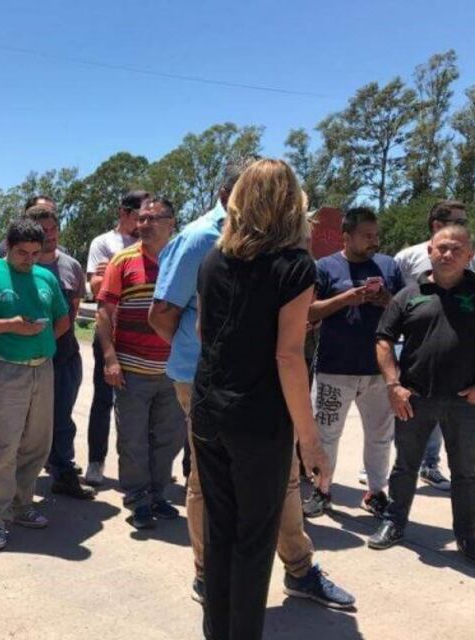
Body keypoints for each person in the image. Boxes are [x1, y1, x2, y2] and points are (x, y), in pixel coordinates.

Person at [149, 160, 354, 611]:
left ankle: (298, 570)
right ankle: (209, 575)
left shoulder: (276, 247)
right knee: (211, 487)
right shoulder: (204, 241)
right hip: (209, 386)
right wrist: (219, 361)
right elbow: (162, 314)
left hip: (261, 388)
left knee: (280, 483)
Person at [192, 159, 333, 640]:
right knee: (253, 542)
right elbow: (289, 356)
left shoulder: (214, 258)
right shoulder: (294, 266)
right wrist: (311, 443)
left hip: (209, 410)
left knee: (220, 533)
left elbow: (201, 331)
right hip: (259, 420)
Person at [370, 225, 475, 566]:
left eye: (456, 249)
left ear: (469, 255)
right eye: (440, 248)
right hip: (414, 399)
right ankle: (394, 523)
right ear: (430, 251)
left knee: (465, 472)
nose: (447, 254)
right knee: (405, 466)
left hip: (464, 403)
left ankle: (467, 536)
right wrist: (393, 385)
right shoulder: (409, 295)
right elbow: (383, 339)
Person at [0, 219, 70, 551]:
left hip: (43, 369)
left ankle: (22, 505)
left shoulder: (45, 276)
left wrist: (41, 344)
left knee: (37, 443)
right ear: (8, 245)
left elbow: (62, 320)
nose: (29, 259)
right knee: (4, 445)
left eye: (36, 253)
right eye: (22, 252)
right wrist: (11, 328)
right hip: (6, 370)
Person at [303, 207, 403, 519]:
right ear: (346, 236)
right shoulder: (325, 267)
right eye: (366, 236)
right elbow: (309, 312)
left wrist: (386, 299)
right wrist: (346, 299)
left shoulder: (389, 266)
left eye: (376, 235)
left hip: (378, 370)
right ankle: (322, 490)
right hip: (335, 368)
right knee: (326, 435)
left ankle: (376, 492)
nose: (374, 241)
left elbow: (406, 310)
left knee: (380, 436)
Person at [97, 196, 184, 528]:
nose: (144, 225)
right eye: (141, 219)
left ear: (171, 223)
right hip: (131, 370)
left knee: (169, 437)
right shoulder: (123, 261)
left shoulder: (184, 260)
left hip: (174, 371)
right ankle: (137, 499)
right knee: (132, 439)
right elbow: (105, 311)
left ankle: (158, 494)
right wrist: (109, 358)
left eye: (153, 219)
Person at [393, 200, 475, 491]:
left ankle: (429, 465)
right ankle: (393, 464)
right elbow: (395, 302)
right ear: (436, 225)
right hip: (410, 345)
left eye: (465, 221)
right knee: (403, 407)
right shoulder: (407, 257)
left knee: (441, 407)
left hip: (455, 346)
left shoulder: (474, 258)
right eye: (458, 220)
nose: (464, 226)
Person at [24, 205, 95, 499]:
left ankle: (63, 472)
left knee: (62, 418)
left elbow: (72, 312)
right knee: (27, 422)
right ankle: (21, 480)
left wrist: (53, 342)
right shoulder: (19, 266)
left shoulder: (71, 266)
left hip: (64, 356)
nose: (49, 235)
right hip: (26, 359)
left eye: (53, 229)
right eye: (43, 230)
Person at [83, 189, 146, 486]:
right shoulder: (103, 243)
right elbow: (96, 289)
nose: (144, 222)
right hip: (109, 329)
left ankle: (137, 465)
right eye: (139, 216)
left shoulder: (153, 243)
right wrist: (112, 277)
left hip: (144, 333)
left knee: (141, 401)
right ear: (123, 212)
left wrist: (112, 272)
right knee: (103, 399)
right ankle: (96, 461)